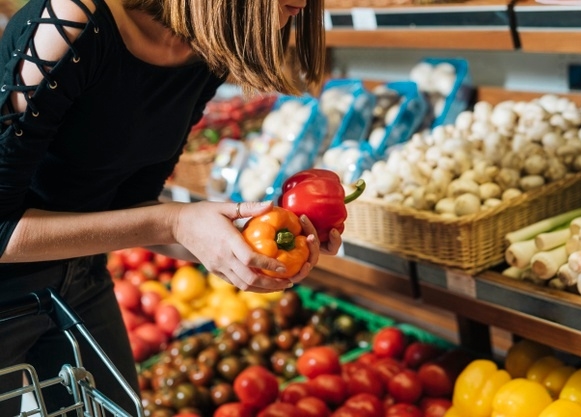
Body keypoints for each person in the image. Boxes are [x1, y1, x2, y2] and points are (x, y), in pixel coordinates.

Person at [0, 0, 338, 414]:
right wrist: (174, 223)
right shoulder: (69, 23)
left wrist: (246, 245)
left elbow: (130, 203)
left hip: (81, 277)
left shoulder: (204, 50)